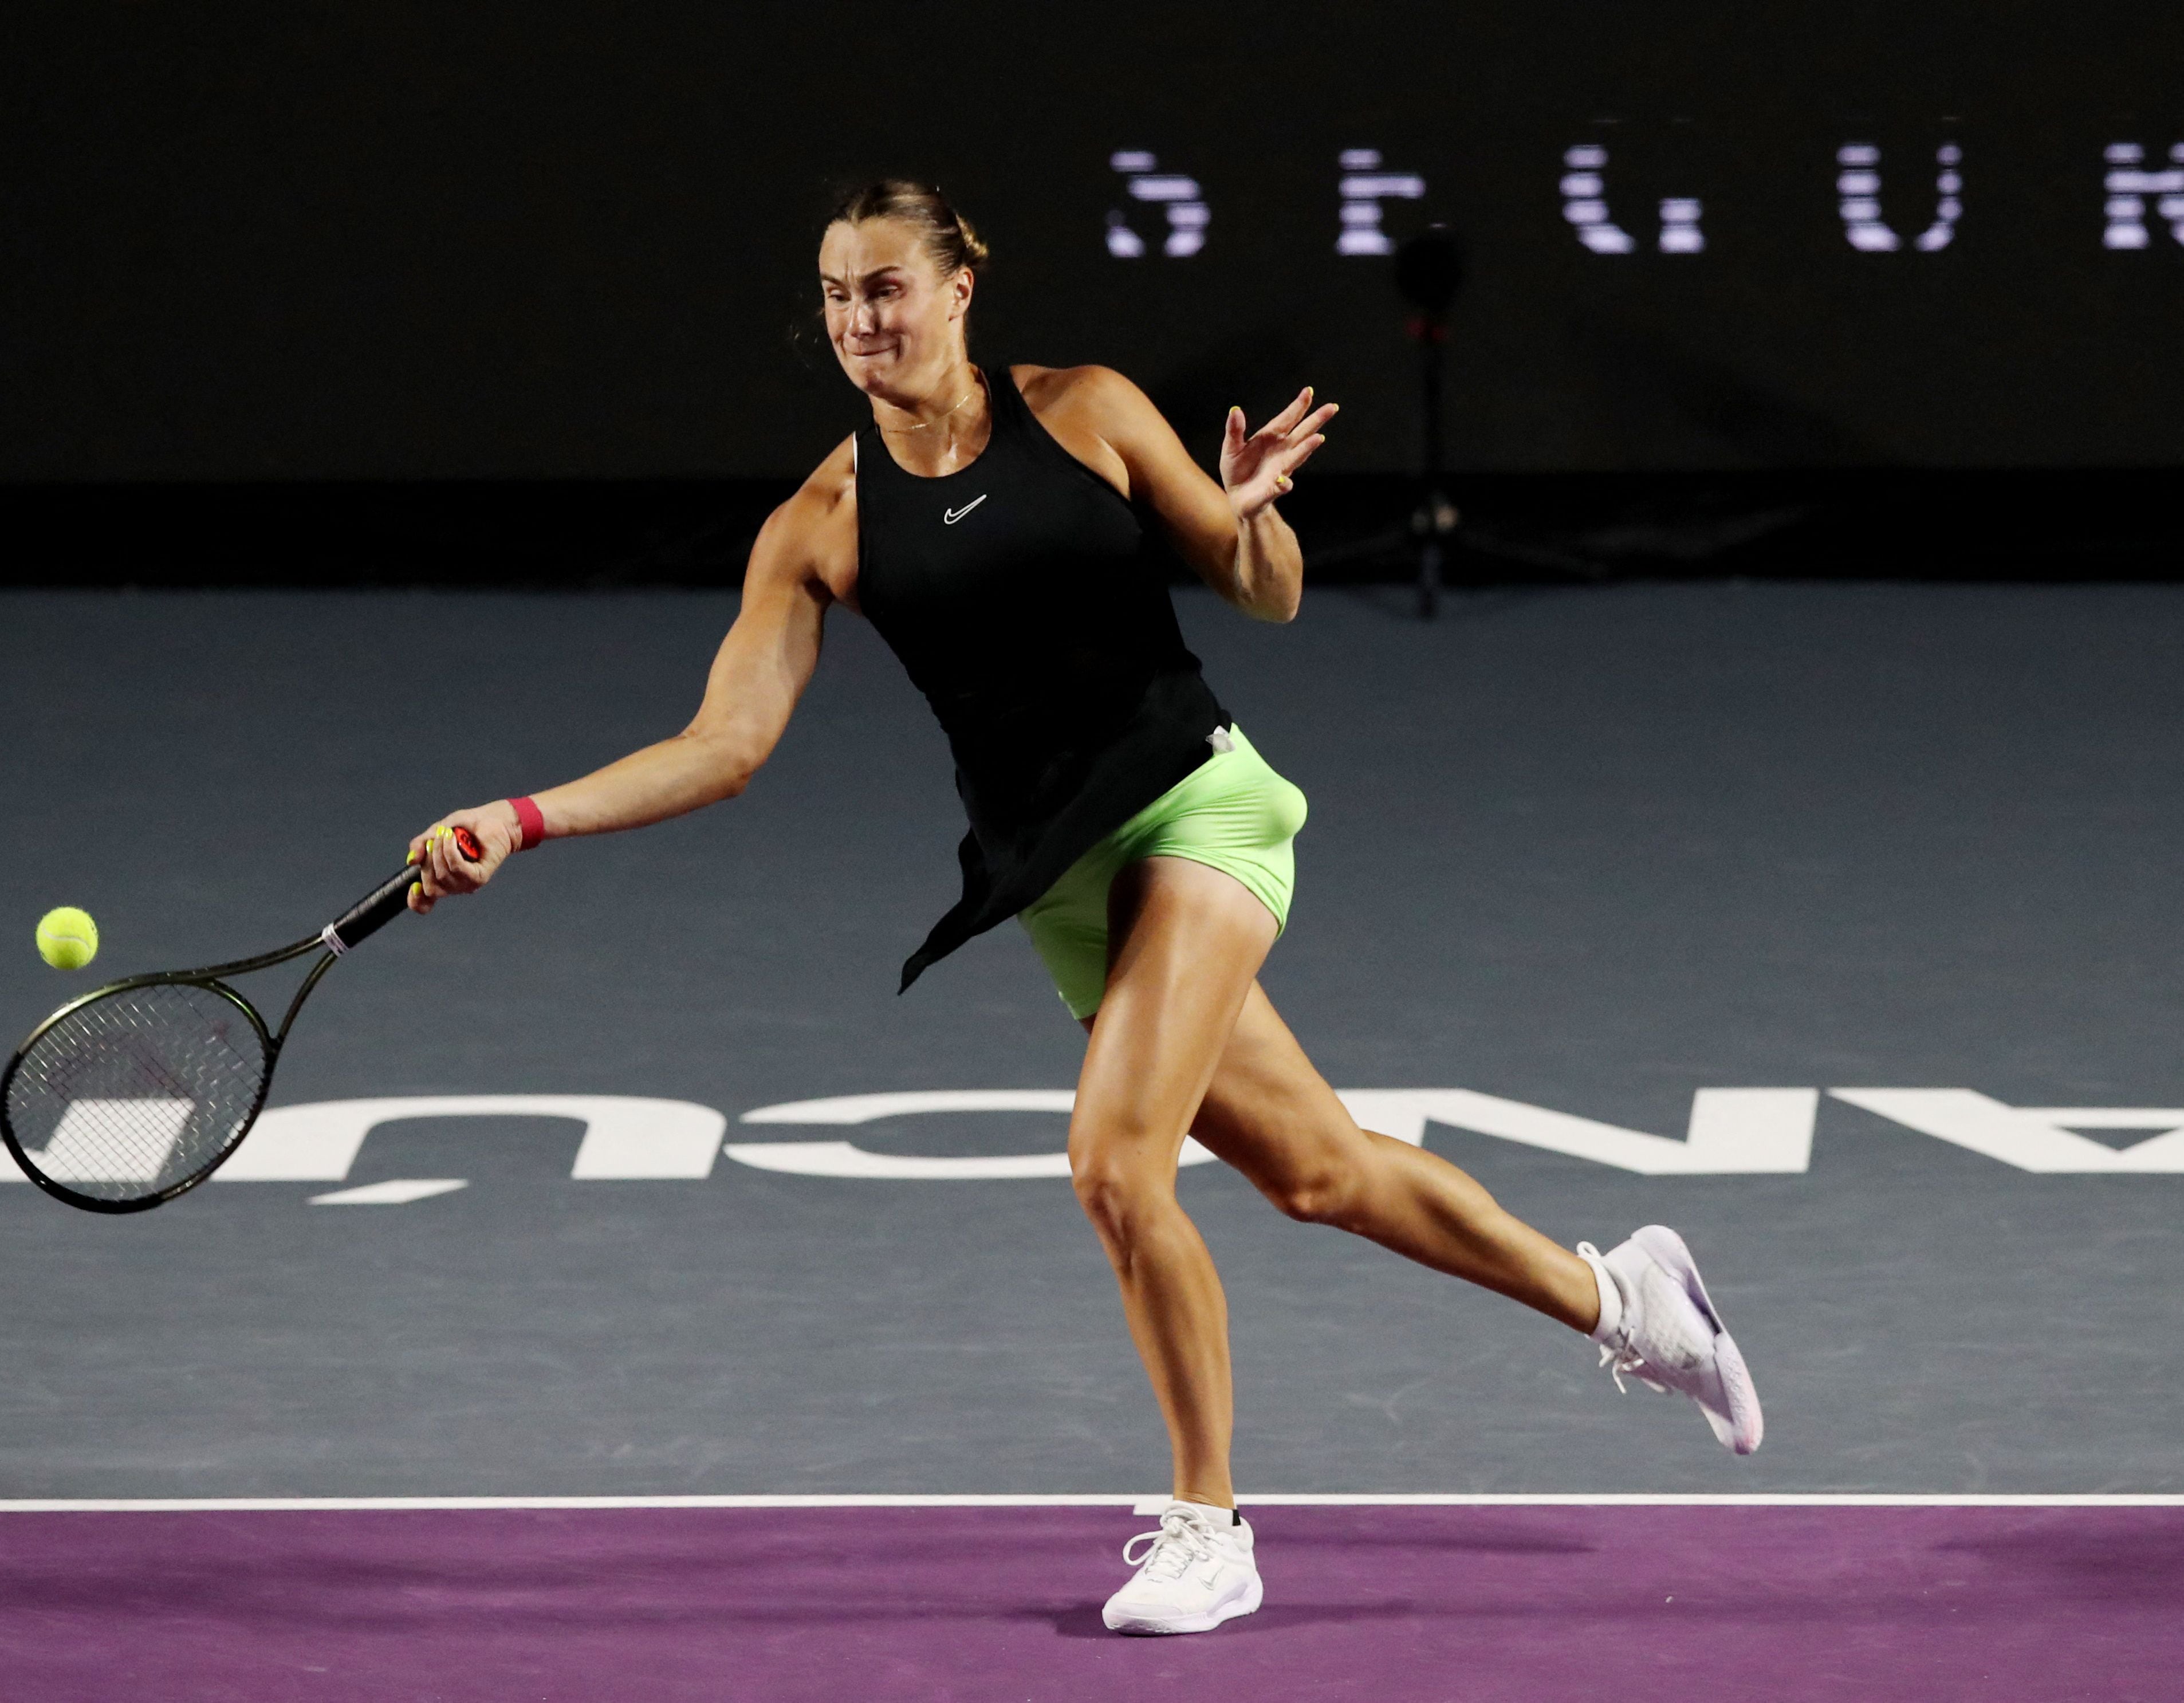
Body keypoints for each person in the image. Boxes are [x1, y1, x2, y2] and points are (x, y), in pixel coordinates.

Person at [406, 179, 1761, 1636]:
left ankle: (1208, 1525)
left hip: (1197, 803)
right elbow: (722, 747)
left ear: (957, 289)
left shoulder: (1089, 410)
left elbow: (1268, 596)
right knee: (1317, 1174)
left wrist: (1246, 521)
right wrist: (522, 815)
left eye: (885, 287)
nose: (861, 320)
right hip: (1059, 880)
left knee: (1116, 1163)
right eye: (836, 296)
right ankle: (1627, 1299)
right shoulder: (821, 519)